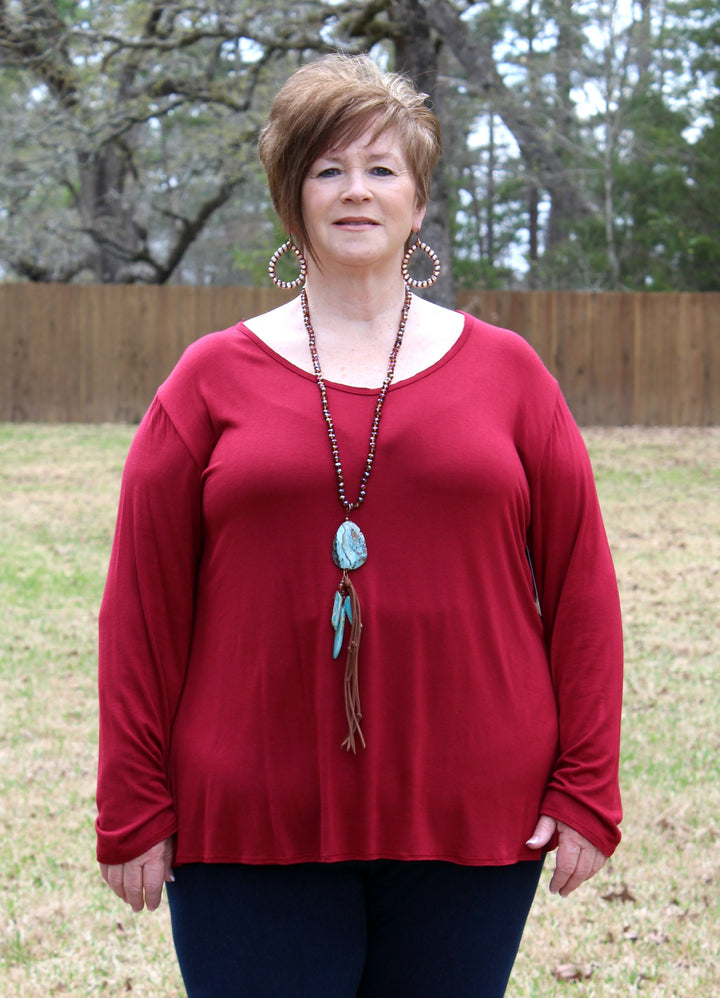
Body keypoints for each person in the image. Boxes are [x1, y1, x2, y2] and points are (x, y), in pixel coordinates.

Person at [96, 54, 623, 998]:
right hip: (249, 816)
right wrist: (133, 797)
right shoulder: (207, 381)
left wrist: (587, 784)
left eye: (382, 169)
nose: (355, 192)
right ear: (291, 198)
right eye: (327, 168)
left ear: (418, 203)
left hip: (470, 813)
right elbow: (140, 606)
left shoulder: (510, 376)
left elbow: (582, 588)